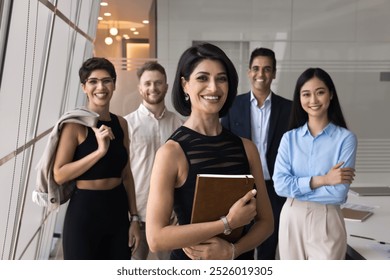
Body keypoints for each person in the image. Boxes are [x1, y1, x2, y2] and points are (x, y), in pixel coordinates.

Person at [146, 43, 274, 260]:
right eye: (203, 78)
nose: (213, 88)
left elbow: (267, 223)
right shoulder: (171, 153)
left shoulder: (246, 148)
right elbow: (156, 238)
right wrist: (227, 223)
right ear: (185, 85)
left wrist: (233, 251)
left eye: (221, 79)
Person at [53, 57, 141, 259]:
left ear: (114, 85)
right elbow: (59, 175)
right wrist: (99, 152)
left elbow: (126, 174)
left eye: (106, 80)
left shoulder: (121, 124)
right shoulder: (75, 125)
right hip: (84, 213)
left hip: (118, 211)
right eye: (93, 81)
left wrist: (134, 218)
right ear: (84, 87)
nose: (100, 87)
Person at [272, 67, 357, 259]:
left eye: (320, 92)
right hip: (292, 217)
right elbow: (280, 185)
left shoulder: (345, 139)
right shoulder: (289, 139)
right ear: (299, 98)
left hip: (327, 218)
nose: (313, 100)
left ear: (331, 94)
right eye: (306, 94)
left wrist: (298, 185)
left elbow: (338, 193)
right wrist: (324, 179)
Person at [220, 47, 291, 260]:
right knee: (242, 245)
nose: (261, 74)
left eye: (267, 69)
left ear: (274, 73)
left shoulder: (289, 109)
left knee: (269, 244)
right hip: (242, 187)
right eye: (256, 69)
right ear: (249, 72)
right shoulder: (232, 106)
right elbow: (225, 146)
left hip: (274, 189)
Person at [124, 61, 183, 260]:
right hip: (137, 215)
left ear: (166, 86)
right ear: (140, 88)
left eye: (158, 83)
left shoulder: (179, 125)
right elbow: (123, 172)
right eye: (147, 83)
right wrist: (130, 215)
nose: (153, 88)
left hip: (170, 216)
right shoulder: (127, 125)